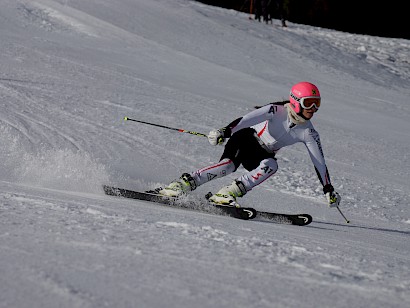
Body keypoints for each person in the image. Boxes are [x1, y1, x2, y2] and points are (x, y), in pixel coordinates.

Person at [157, 82, 341, 209]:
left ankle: (228, 193)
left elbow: (319, 163)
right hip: (245, 138)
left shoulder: (309, 132)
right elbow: (247, 120)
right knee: (228, 166)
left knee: (271, 166)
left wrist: (328, 189)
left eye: (317, 104)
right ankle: (181, 185)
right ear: (295, 101)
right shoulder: (276, 111)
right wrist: (225, 131)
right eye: (309, 103)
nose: (313, 109)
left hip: (262, 153)